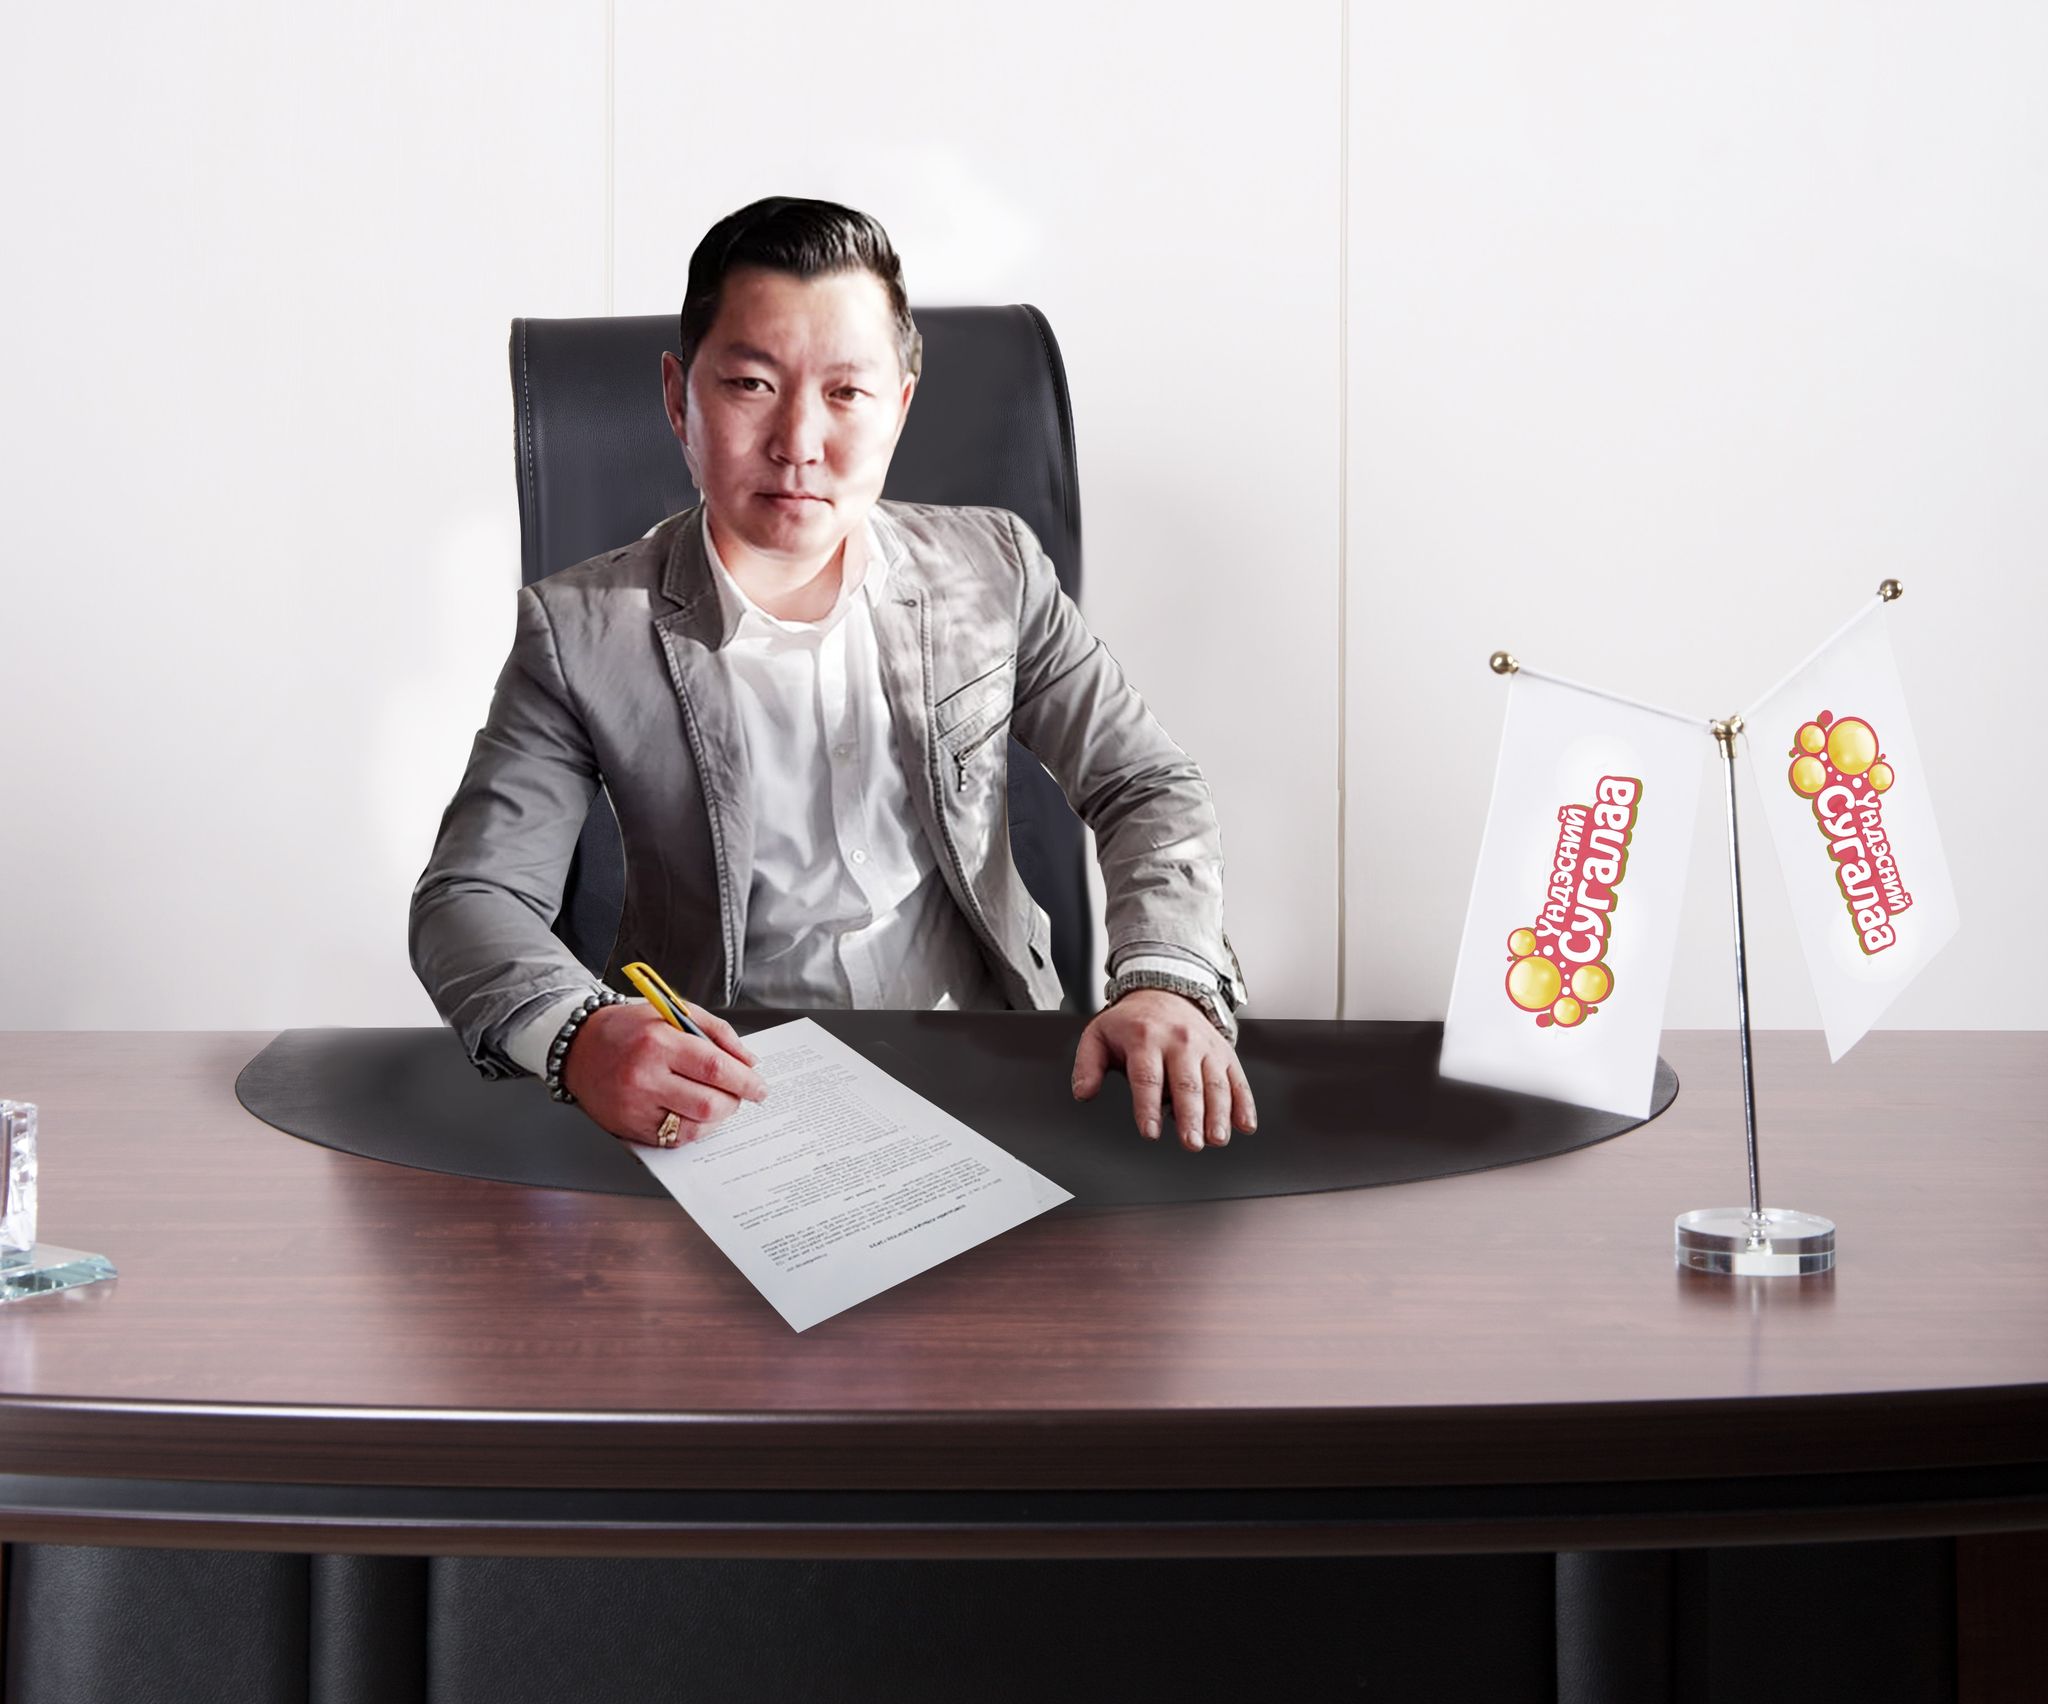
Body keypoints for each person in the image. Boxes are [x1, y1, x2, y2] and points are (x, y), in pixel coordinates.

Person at [410, 196, 1251, 1156]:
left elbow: (1143, 780)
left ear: (900, 406)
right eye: (752, 384)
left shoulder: (994, 569)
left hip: (990, 1074)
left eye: (847, 392)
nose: (799, 442)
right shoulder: (580, 631)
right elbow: (472, 894)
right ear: (679, 399)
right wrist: (577, 1036)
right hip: (726, 1097)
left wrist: (1164, 979)